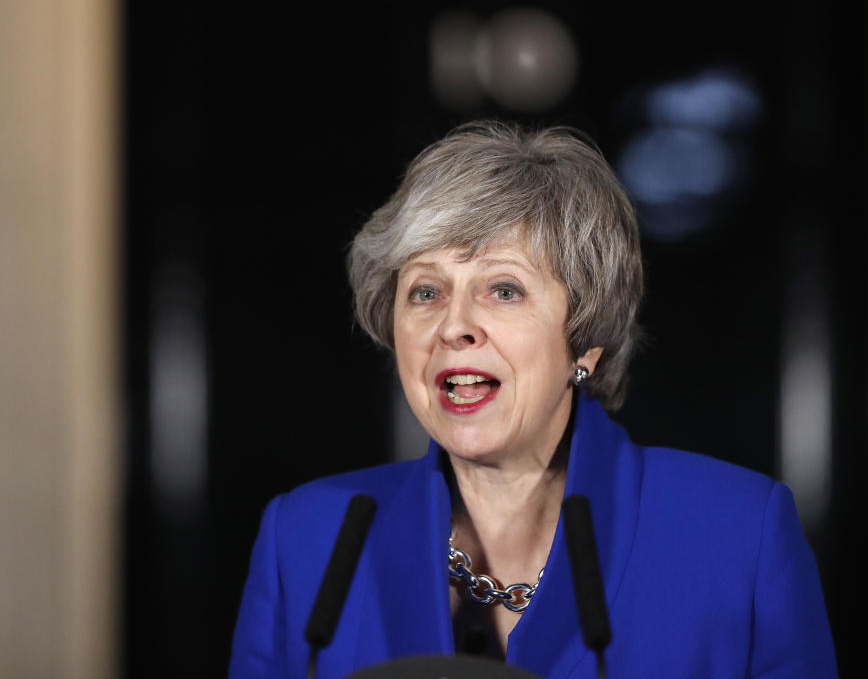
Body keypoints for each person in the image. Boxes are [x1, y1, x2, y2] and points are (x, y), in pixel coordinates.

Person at [229, 121, 837, 678]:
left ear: (586, 341)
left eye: (502, 288)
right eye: (425, 291)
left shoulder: (738, 537)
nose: (453, 326)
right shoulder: (307, 540)